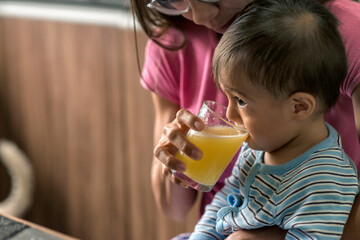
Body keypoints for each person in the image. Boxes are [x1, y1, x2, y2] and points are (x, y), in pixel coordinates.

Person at [130, 0, 360, 238]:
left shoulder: (325, 179)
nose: (198, 16)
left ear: (299, 107)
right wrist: (176, 162)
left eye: (240, 101)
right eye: (175, 0)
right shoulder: (255, 151)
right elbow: (222, 202)